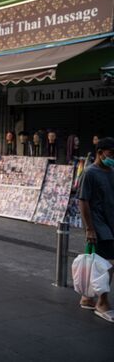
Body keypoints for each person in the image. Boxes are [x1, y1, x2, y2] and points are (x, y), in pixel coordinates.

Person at [78, 136, 114, 323]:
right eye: (111, 153)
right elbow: (82, 201)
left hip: (110, 222)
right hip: (99, 224)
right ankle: (102, 302)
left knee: (98, 261)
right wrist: (90, 229)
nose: (113, 157)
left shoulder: (112, 171)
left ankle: (87, 297)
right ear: (100, 153)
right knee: (108, 263)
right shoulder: (89, 173)